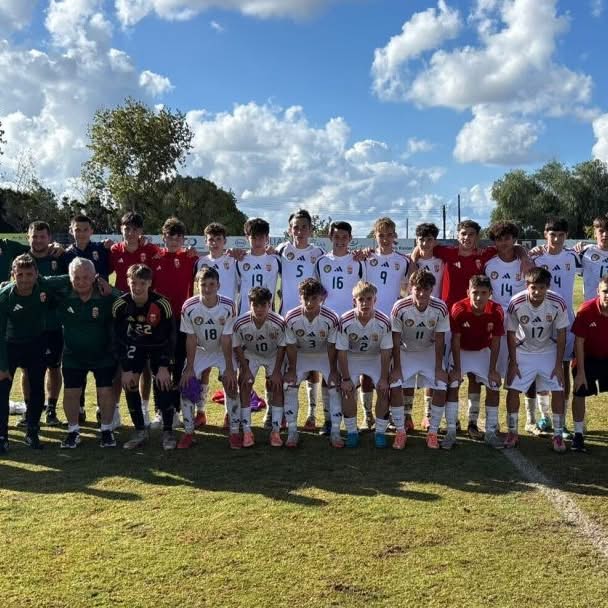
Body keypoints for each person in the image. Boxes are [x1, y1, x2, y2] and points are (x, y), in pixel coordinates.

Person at [0, 254, 71, 452]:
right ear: (13, 275)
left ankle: (32, 432)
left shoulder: (43, 286)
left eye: (29, 274)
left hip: (36, 343)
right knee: (2, 389)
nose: (25, 279)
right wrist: (2, 366)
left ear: (37, 274)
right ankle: (2, 436)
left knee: (37, 387)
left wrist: (95, 279)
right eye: (20, 275)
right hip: (10, 345)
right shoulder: (4, 297)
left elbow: (69, 278)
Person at [112, 264, 177, 450]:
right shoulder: (120, 305)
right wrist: (125, 368)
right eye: (133, 282)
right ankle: (140, 431)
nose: (137, 287)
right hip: (135, 346)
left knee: (164, 382)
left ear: (149, 283)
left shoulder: (162, 304)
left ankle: (168, 431)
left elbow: (171, 336)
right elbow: (117, 338)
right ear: (127, 282)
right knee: (129, 382)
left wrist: (164, 365)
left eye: (142, 283)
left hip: (158, 346)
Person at [505, 267, 569, 452]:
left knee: (558, 388)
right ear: (527, 285)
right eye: (533, 287)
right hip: (524, 351)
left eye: (541, 288)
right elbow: (511, 334)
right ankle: (512, 432)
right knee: (513, 389)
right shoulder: (516, 302)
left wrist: (558, 364)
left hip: (548, 350)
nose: (537, 292)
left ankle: (558, 435)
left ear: (548, 287)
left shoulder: (558, 302)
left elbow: (562, 334)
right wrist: (513, 363)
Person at [57, 258, 119, 448]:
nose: (81, 282)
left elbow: (127, 300)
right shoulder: (63, 295)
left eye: (86, 277)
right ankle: (73, 431)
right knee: (71, 392)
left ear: (94, 277)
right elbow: (41, 282)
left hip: (103, 354)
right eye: (76, 277)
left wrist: (112, 290)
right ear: (70, 278)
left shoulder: (106, 295)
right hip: (73, 355)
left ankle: (107, 430)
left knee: (105, 391)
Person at [276, 210, 325, 431]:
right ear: (290, 230)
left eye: (304, 227)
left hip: (312, 316)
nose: (300, 231)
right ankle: (280, 414)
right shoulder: (281, 250)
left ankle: (312, 415)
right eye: (296, 227)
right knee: (286, 366)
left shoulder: (319, 253)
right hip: (287, 317)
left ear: (311, 230)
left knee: (314, 366)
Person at [179, 267, 238, 449]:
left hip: (222, 350)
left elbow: (227, 338)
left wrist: (229, 368)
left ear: (218, 285)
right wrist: (189, 367)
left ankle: (234, 431)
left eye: (211, 284)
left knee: (230, 383)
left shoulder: (228, 305)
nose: (207, 288)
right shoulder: (189, 306)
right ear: (197, 285)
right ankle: (188, 432)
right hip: (201, 350)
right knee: (186, 384)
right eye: (203, 284)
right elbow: (190, 338)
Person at [531, 218, 580, 436]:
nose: (557, 239)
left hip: (566, 321)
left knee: (564, 368)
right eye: (552, 234)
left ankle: (563, 418)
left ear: (566, 236)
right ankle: (544, 416)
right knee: (541, 367)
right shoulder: (535, 257)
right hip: (541, 321)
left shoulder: (573, 256)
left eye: (561, 235)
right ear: (545, 235)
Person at [390, 270, 449, 450]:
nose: (422, 294)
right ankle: (400, 431)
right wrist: (397, 368)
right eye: (418, 289)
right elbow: (395, 339)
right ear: (411, 288)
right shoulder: (400, 307)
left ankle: (433, 432)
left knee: (441, 385)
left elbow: (440, 339)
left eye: (426, 289)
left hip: (428, 351)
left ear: (432, 289)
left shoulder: (440, 307)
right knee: (395, 384)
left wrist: (439, 368)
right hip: (406, 351)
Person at [149, 217, 198, 428]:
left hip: (182, 321)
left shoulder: (190, 258)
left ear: (183, 239)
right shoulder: (154, 259)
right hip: (160, 322)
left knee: (178, 366)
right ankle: (160, 411)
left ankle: (176, 410)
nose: (174, 240)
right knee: (158, 367)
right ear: (164, 237)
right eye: (170, 236)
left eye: (178, 237)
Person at [283, 278, 341, 448]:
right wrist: (292, 369)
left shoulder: (331, 317)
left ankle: (335, 431)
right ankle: (292, 431)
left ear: (322, 298)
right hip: (302, 354)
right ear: (299, 297)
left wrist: (333, 370)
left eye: (314, 298)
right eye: (305, 298)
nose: (309, 303)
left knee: (334, 385)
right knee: (290, 385)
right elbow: (291, 346)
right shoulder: (291, 317)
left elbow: (332, 346)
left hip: (323, 355)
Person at [449, 275, 504, 450]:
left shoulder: (496, 310)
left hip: (482, 351)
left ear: (490, 294)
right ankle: (451, 431)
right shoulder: (458, 309)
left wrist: (493, 369)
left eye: (483, 293)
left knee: (494, 385)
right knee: (453, 383)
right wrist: (457, 369)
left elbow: (496, 342)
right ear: (468, 292)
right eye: (475, 292)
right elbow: (455, 340)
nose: (479, 297)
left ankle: (490, 432)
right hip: (461, 351)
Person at [336, 281, 392, 448]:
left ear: (375, 300)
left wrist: (384, 378)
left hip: (374, 358)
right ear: (354, 301)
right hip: (353, 357)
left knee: (383, 390)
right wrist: (346, 378)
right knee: (347, 390)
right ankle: (352, 432)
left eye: (369, 299)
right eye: (361, 299)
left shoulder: (383, 321)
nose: (365, 303)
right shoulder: (345, 320)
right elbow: (342, 352)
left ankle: (380, 432)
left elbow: (386, 352)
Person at [195, 222, 239, 426]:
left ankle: (229, 413)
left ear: (224, 241)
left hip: (227, 321)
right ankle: (200, 411)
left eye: (218, 239)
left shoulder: (234, 260)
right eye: (211, 239)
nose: (214, 243)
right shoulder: (200, 262)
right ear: (206, 241)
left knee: (229, 370)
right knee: (203, 370)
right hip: (205, 322)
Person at [26, 221, 69, 426]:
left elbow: (70, 281)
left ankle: (51, 409)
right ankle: (29, 410)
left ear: (49, 238)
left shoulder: (58, 257)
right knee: (28, 370)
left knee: (53, 367)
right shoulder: (22, 259)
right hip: (28, 326)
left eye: (42, 236)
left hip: (53, 324)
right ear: (28, 237)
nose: (38, 240)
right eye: (34, 236)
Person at [232, 287, 286, 447]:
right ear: (250, 304)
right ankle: (247, 430)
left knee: (277, 385)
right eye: (255, 305)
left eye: (263, 305)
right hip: (251, 354)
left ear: (270, 304)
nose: (259, 309)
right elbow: (237, 346)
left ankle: (275, 431)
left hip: (273, 355)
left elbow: (282, 347)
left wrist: (277, 371)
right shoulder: (240, 323)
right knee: (245, 383)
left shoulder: (279, 322)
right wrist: (245, 369)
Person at [570, 275, 608, 453]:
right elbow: (579, 342)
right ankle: (578, 434)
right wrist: (581, 372)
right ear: (598, 291)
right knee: (580, 389)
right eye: (605, 291)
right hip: (587, 357)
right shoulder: (586, 310)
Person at [413, 222, 445, 430]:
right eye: (421, 239)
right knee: (408, 372)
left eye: (429, 239)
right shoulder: (410, 262)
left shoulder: (443, 261)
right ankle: (406, 415)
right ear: (417, 241)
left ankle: (428, 415)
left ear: (435, 241)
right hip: (413, 318)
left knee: (432, 368)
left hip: (437, 317)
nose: (425, 243)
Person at [235, 218, 280, 315]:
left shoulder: (275, 260)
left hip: (267, 313)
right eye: (254, 238)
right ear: (247, 237)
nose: (257, 242)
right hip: (244, 312)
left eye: (261, 238)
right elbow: (236, 286)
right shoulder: (240, 260)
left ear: (267, 238)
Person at [580, 215, 608, 301]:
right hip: (592, 305)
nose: (605, 235)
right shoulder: (585, 251)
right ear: (595, 233)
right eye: (601, 231)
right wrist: (544, 249)